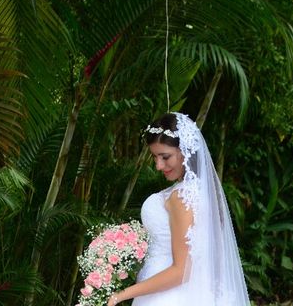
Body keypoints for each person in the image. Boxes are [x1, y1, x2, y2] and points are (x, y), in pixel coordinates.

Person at [107, 112, 249, 305]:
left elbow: (181, 270)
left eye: (165, 157)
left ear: (186, 150)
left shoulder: (181, 197)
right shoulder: (199, 191)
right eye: (155, 157)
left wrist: (121, 295)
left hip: (168, 296)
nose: (158, 165)